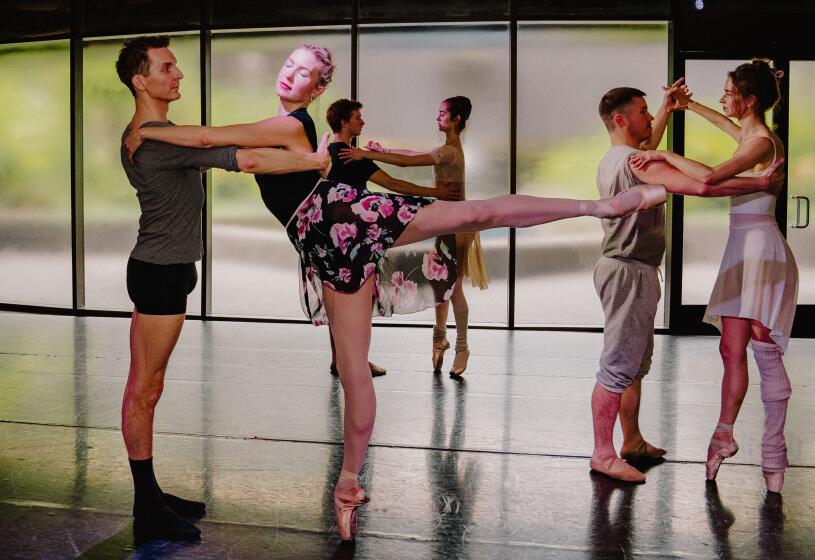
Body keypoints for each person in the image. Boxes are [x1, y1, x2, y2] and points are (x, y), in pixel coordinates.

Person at [124, 43, 673, 541]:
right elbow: (214, 146)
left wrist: (145, 131)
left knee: (473, 216)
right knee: (355, 366)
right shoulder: (285, 129)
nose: (293, 75)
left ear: (317, 91)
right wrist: (150, 134)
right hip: (329, 244)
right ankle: (346, 487)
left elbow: (212, 141)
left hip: (339, 222)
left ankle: (597, 208)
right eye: (289, 65)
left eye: (307, 74)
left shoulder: (288, 123)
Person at [115, 35, 331, 543]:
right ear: (140, 81)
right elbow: (249, 160)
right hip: (159, 272)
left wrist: (308, 160)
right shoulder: (154, 139)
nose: (179, 74)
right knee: (144, 389)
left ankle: (152, 494)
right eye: (167, 68)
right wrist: (316, 162)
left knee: (151, 385)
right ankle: (146, 507)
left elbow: (246, 154)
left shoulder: (163, 133)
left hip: (168, 269)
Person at [590, 83, 785, 483]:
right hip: (628, 272)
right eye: (644, 112)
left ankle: (632, 441)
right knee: (616, 368)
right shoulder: (636, 161)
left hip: (634, 269)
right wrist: (760, 184)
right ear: (620, 120)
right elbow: (702, 185)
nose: (651, 119)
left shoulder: (616, 157)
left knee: (633, 366)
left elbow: (652, 145)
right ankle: (603, 454)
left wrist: (669, 107)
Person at [339, 96, 489, 376]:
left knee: (453, 288)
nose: (437, 117)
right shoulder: (447, 148)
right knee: (441, 285)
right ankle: (440, 337)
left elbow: (409, 163)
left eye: (442, 114)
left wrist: (368, 154)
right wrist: (383, 149)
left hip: (457, 227)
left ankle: (462, 346)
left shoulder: (451, 152)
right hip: (447, 221)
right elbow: (409, 154)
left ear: (456, 119)